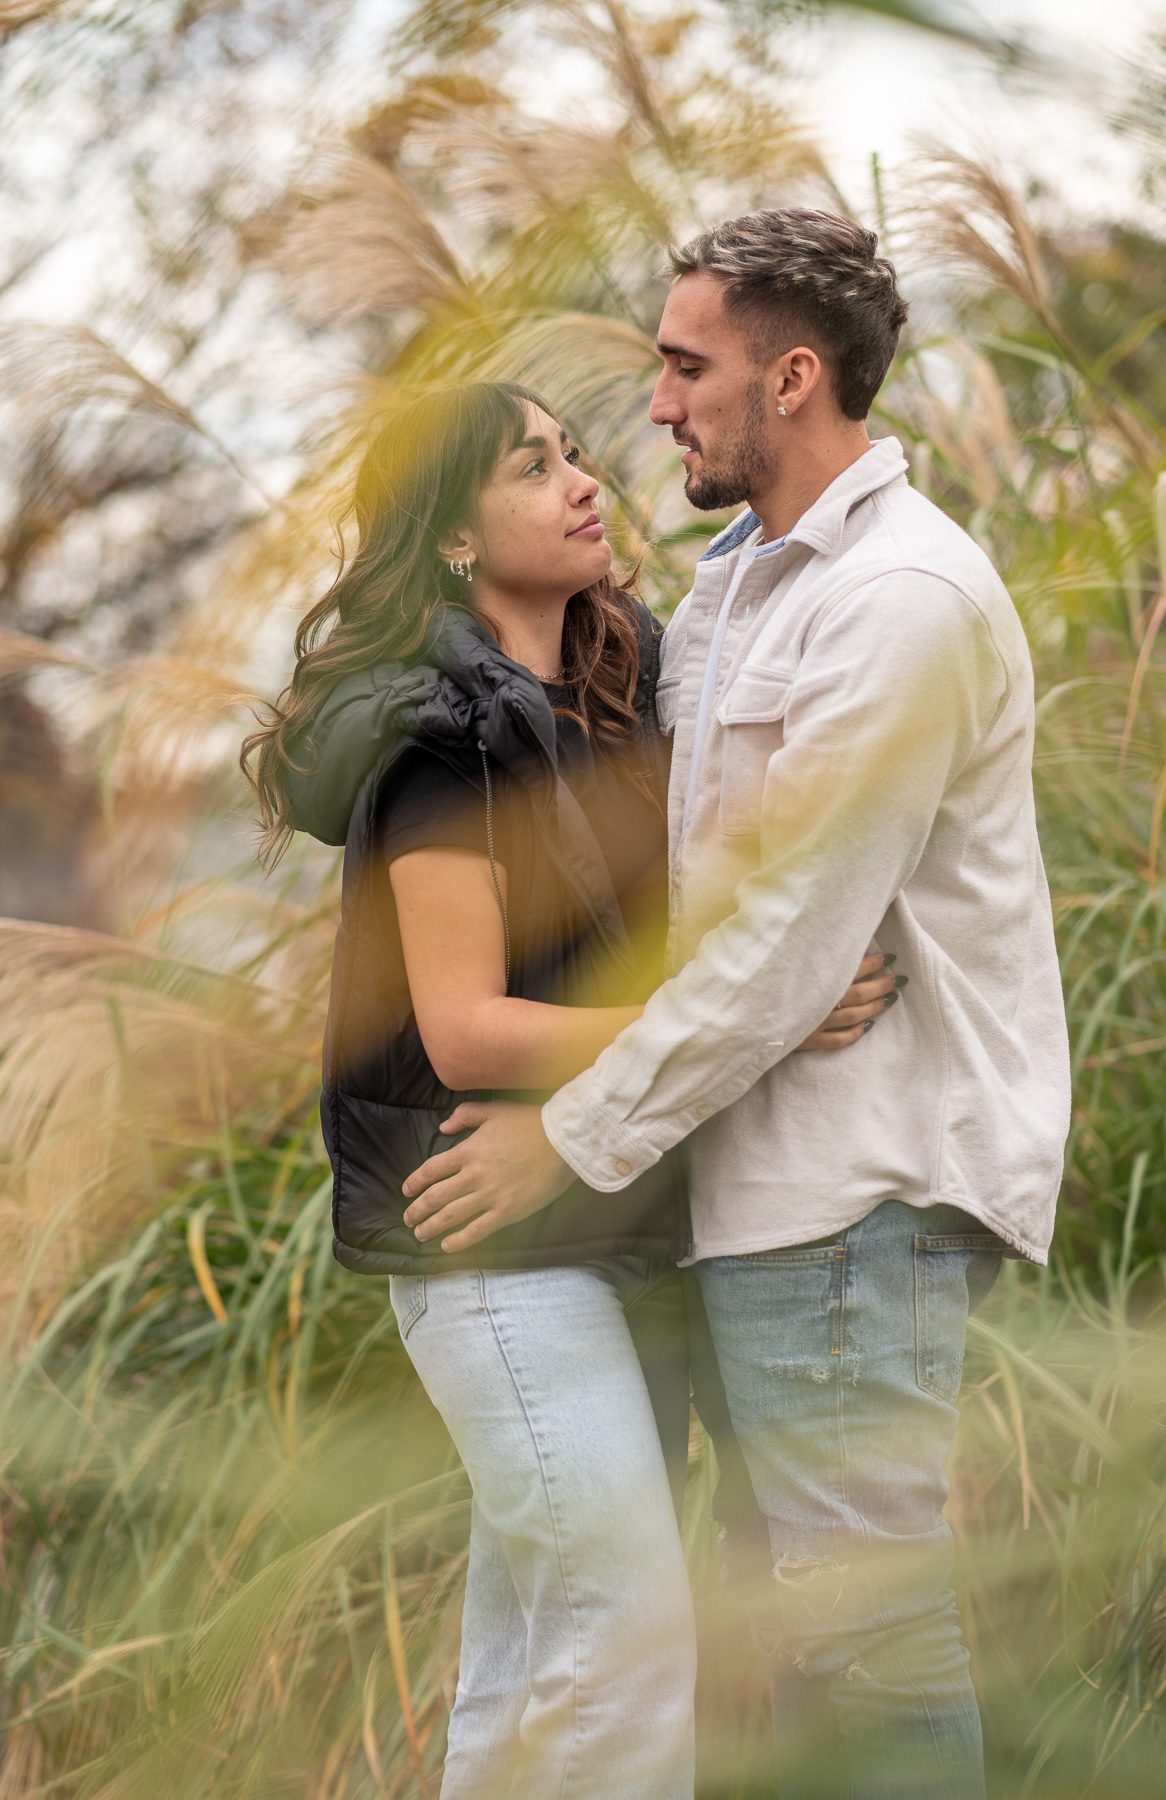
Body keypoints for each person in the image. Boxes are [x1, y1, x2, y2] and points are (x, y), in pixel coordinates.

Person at [399, 213, 1073, 1799]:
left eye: (683, 366)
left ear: (789, 376)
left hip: (855, 1187)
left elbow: (777, 950)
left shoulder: (899, 600)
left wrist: (565, 1133)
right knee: (785, 1666)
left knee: (863, 1643)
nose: (656, 406)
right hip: (761, 1195)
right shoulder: (736, 588)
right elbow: (695, 903)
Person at [240, 379, 894, 1800]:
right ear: (454, 541)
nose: (583, 479)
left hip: (611, 1222)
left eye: (578, 452)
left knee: (534, 1659)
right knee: (626, 1636)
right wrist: (756, 1018)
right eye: (531, 467)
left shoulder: (629, 681)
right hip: (487, 1247)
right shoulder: (437, 729)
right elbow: (468, 1033)